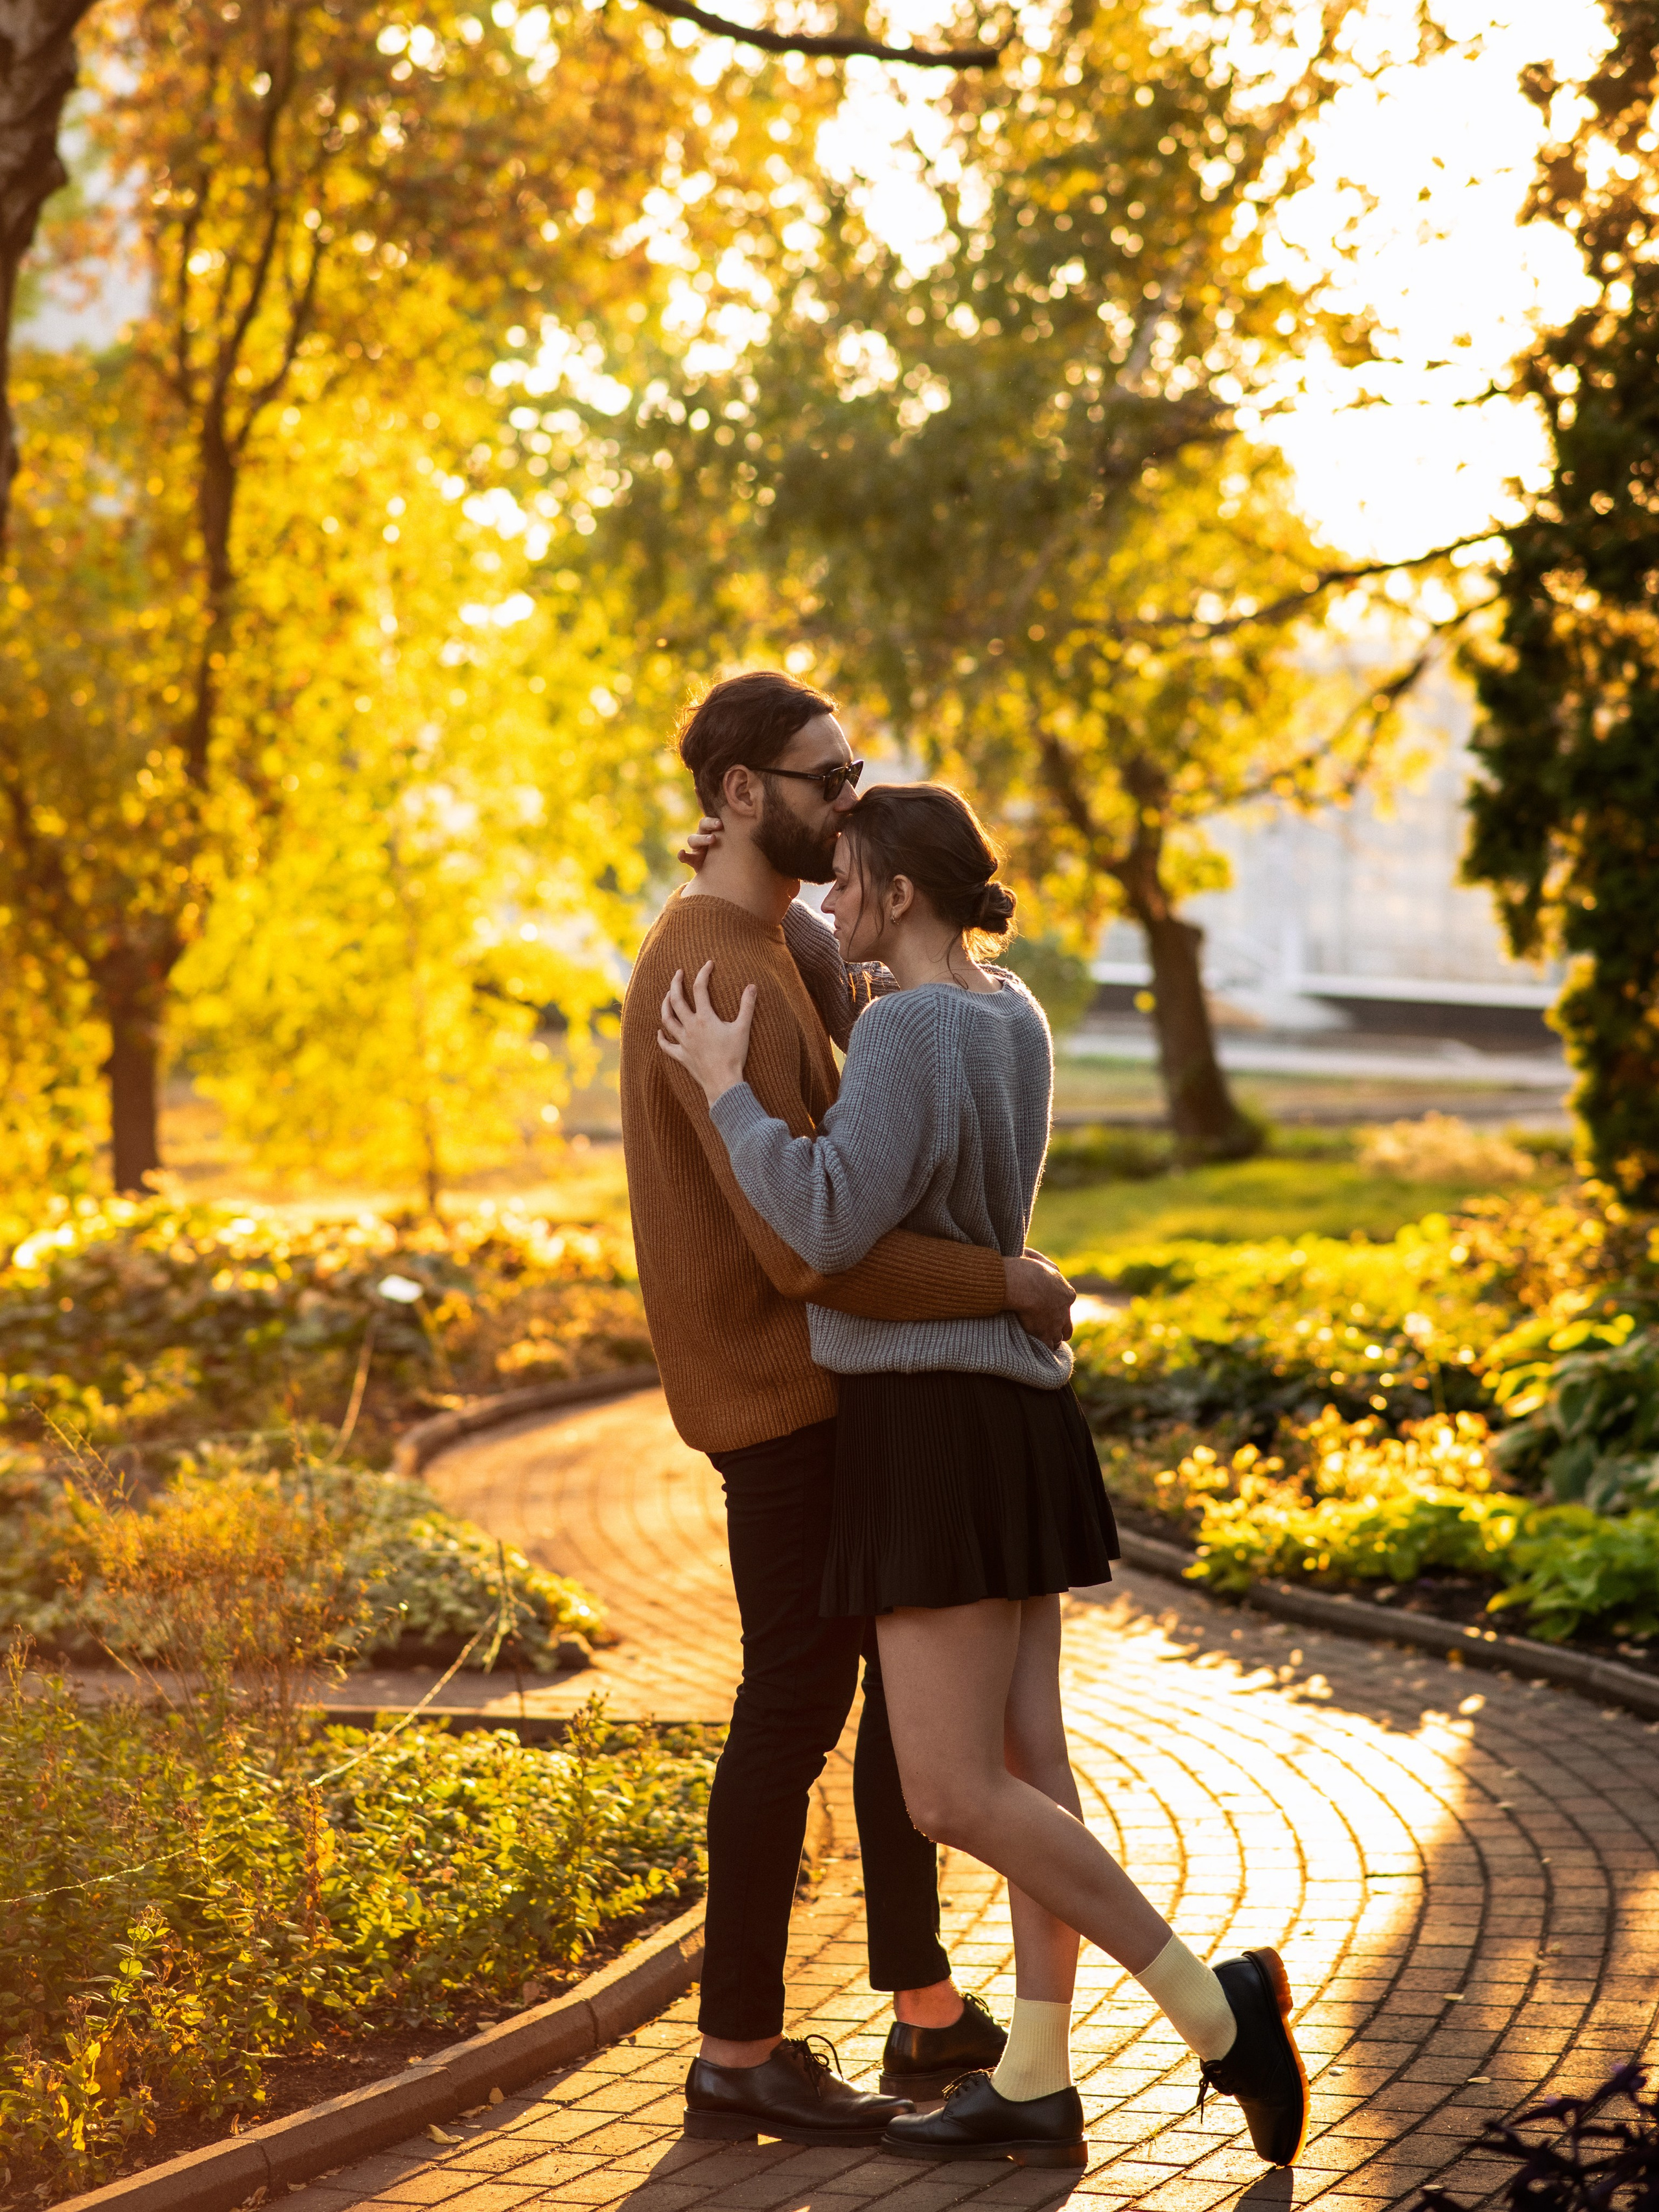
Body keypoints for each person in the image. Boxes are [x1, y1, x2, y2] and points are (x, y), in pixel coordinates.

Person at [656, 779, 1312, 2172]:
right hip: (1018, 1419)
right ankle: (1033, 2072)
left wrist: (725, 1091)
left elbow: (828, 1223)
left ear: (895, 894)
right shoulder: (1008, 1014)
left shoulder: (902, 1028)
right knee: (1031, 1766)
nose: (826, 907)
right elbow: (938, 1162)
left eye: (843, 879)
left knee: (951, 1792)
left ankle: (1216, 2006)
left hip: (931, 1428)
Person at [619, 670, 1081, 2150]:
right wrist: (998, 1283)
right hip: (780, 1397)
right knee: (795, 1709)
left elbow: (848, 972)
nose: (849, 799)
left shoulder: (764, 944)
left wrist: (823, 927)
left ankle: (923, 2007)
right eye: (826, 778)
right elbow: (799, 1244)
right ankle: (740, 2046)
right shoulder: (721, 970)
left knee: (894, 1714)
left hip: (821, 1388)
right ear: (743, 793)